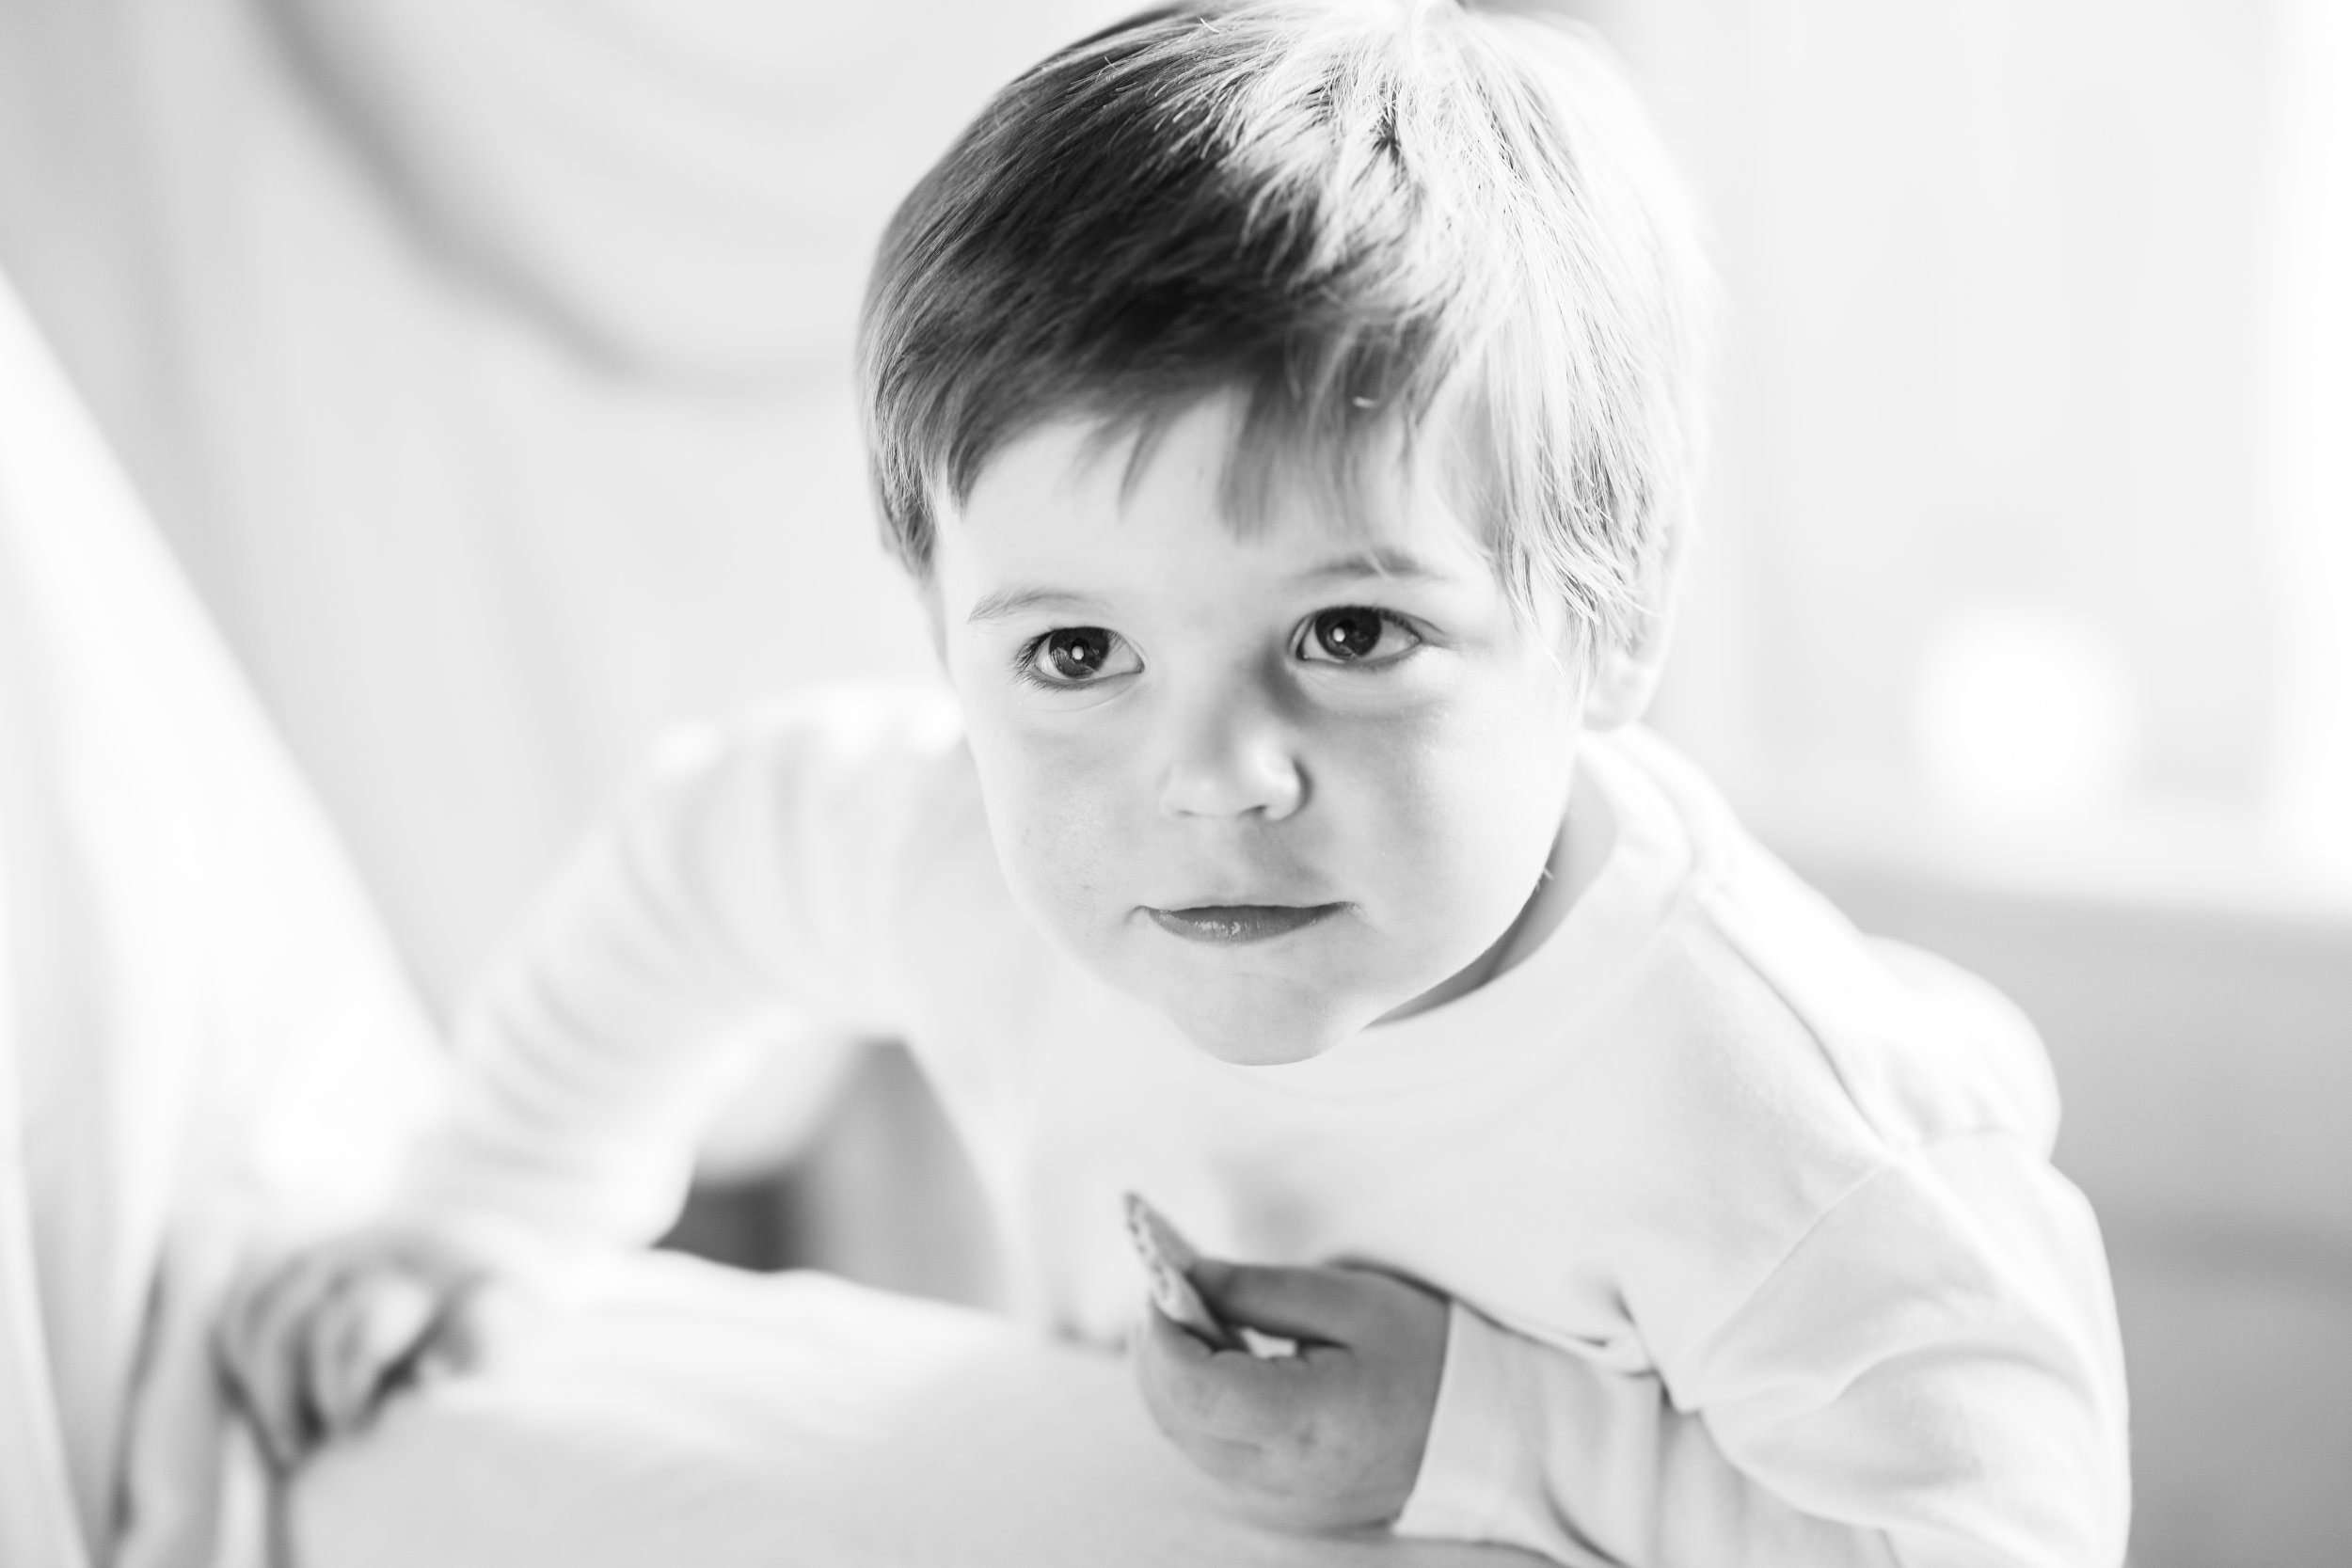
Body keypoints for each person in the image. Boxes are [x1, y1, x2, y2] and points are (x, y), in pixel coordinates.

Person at [216, 3, 2131, 1561]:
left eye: (1348, 636)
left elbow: (1989, 1534)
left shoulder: (1754, 1117)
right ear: (944, 639)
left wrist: (1488, 1436)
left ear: (1609, 623)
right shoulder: (968, 855)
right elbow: (702, 858)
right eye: (1072, 656)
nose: (1208, 777)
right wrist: (479, 1207)